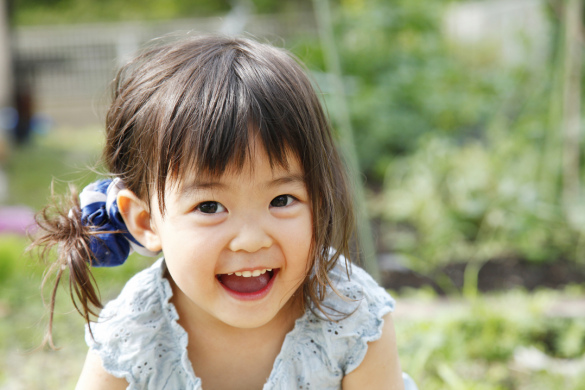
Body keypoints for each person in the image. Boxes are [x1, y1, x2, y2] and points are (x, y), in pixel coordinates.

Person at [33, 35, 417, 390]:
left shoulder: (350, 315)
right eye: (210, 206)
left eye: (282, 200)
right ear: (146, 221)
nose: (252, 239)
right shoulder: (132, 335)